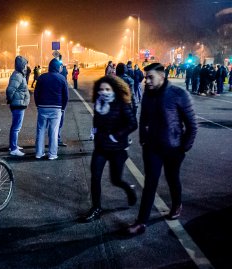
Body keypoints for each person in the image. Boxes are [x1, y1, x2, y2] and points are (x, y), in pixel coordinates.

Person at [126, 63, 197, 235]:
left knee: (173, 179)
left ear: (162, 76)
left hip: (174, 149)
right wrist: (143, 140)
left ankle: (176, 204)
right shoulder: (148, 94)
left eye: (150, 77)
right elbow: (143, 119)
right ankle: (141, 222)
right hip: (152, 148)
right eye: (145, 77)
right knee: (150, 183)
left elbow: (192, 125)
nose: (146, 81)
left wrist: (184, 148)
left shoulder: (178, 94)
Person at [79, 75, 138, 222]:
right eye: (101, 89)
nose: (104, 92)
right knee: (95, 177)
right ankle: (96, 208)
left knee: (116, 180)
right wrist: (95, 131)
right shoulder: (99, 104)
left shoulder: (122, 104)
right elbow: (97, 121)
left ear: (114, 89)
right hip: (100, 148)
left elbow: (132, 124)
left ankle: (129, 189)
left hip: (118, 149)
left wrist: (116, 135)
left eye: (107, 89)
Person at [34, 58, 69, 160]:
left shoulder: (41, 78)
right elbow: (65, 96)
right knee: (53, 131)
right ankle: (52, 154)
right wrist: (63, 108)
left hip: (42, 107)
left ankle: (39, 153)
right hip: (56, 108)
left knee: (40, 130)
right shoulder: (62, 78)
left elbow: (36, 93)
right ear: (57, 67)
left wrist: (38, 105)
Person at [6, 56, 30, 156]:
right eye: (25, 65)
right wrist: (12, 100)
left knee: (16, 127)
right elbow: (10, 90)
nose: (26, 66)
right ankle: (13, 149)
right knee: (16, 127)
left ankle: (13, 145)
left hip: (19, 104)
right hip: (18, 105)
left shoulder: (19, 74)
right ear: (21, 65)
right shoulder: (17, 76)